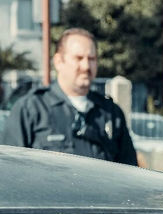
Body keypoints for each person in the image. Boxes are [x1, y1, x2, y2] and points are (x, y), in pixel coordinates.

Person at [1, 28, 137, 166]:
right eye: (78, 58)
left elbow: (129, 172)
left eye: (91, 59)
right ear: (59, 61)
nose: (85, 66)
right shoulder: (30, 110)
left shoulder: (111, 113)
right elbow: (11, 171)